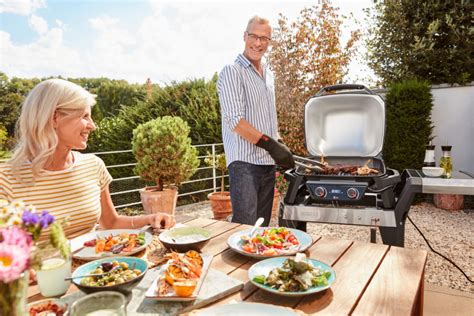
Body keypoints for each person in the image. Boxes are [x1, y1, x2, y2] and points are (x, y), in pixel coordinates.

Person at [0, 79, 175, 240]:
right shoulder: (6, 179)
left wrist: (151, 219)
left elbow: (111, 223)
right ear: (54, 118)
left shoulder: (93, 165)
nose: (93, 125)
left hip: (94, 271)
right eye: (85, 116)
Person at [217, 16, 294, 226]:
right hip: (244, 164)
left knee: (262, 226)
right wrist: (271, 145)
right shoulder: (232, 72)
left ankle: (259, 261)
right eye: (254, 36)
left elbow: (268, 119)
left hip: (267, 163)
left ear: (269, 42)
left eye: (264, 38)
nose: (258, 43)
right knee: (245, 226)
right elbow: (235, 120)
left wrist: (279, 145)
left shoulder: (269, 75)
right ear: (245, 36)